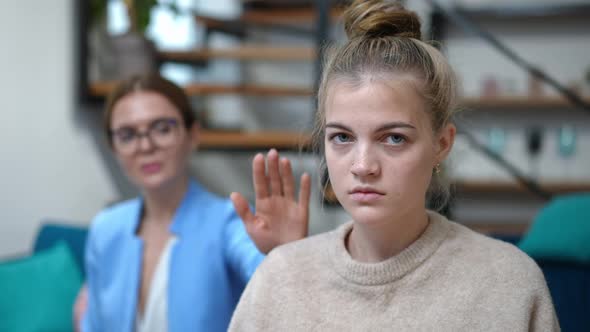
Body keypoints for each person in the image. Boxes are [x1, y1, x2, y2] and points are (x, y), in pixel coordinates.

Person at [228, 0, 560, 330]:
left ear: (441, 144)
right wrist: (293, 272)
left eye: (394, 138)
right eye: (342, 137)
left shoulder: (509, 284)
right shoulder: (277, 276)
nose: (363, 166)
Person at [81, 73, 311, 331]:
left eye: (162, 128)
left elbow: (269, 285)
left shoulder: (229, 221)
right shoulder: (105, 228)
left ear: (193, 134)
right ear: (113, 147)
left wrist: (285, 255)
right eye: (127, 134)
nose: (145, 145)